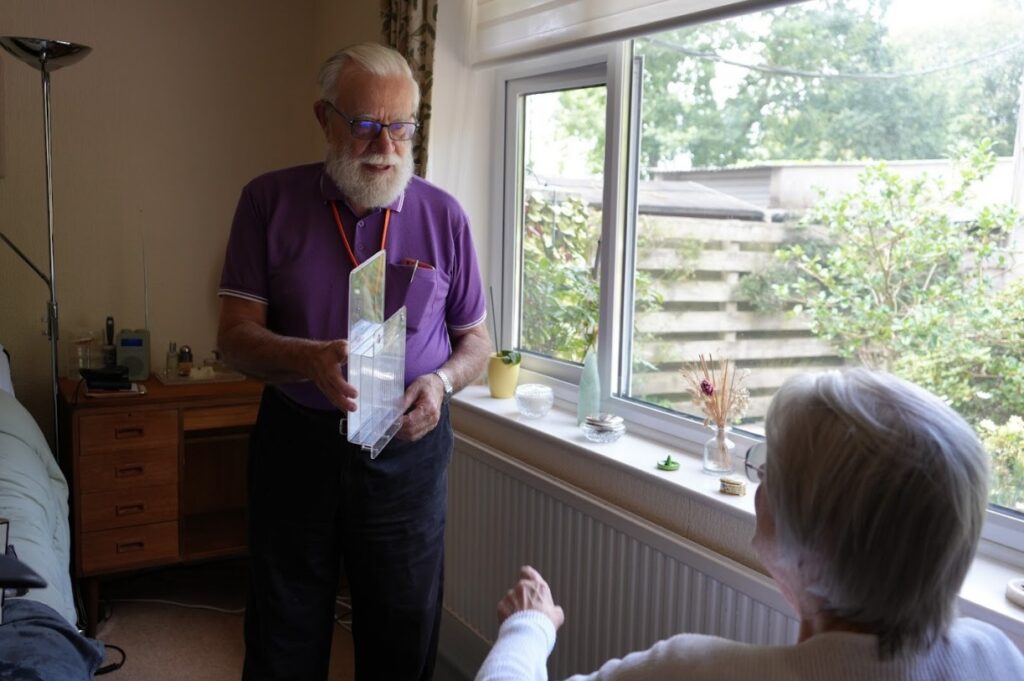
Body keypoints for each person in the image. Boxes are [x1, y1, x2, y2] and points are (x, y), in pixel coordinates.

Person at [217, 42, 492, 681]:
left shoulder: (444, 215)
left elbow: (476, 340)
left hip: (407, 448)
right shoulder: (266, 202)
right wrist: (306, 358)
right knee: (283, 631)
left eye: (401, 127)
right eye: (366, 124)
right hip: (298, 443)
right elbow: (232, 338)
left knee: (403, 630)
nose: (385, 145)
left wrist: (440, 382)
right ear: (325, 118)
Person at [475, 369, 1024, 680]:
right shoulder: (996, 655)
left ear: (815, 541)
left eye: (771, 473)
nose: (761, 487)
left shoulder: (691, 672)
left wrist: (531, 626)